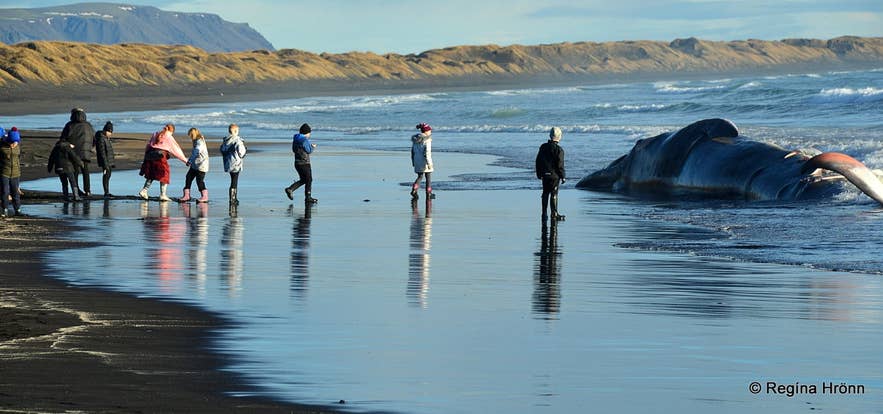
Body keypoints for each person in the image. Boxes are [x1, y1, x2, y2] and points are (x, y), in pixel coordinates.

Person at [138, 124, 188, 202]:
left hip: (150, 155)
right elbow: (176, 150)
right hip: (160, 156)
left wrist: (145, 156)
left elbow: (148, 145)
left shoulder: (156, 133)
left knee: (151, 175)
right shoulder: (169, 137)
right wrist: (185, 161)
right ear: (172, 131)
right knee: (165, 174)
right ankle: (163, 195)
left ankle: (144, 191)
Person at [60, 108, 95, 197]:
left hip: (74, 152)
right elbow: (94, 139)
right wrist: (90, 147)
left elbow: (63, 139)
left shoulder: (69, 125)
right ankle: (87, 191)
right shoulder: (88, 125)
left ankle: (76, 190)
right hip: (85, 152)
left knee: (75, 171)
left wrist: (68, 146)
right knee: (85, 171)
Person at [535, 127, 566, 221]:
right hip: (554, 176)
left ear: (550, 135)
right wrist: (563, 176)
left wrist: (539, 173)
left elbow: (538, 161)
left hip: (545, 174)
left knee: (545, 193)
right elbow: (560, 165)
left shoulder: (543, 147)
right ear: (559, 137)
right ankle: (554, 214)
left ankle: (544, 214)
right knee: (554, 194)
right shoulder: (559, 150)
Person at [284, 123, 318, 204]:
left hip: (297, 163)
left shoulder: (295, 139)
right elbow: (309, 151)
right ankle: (308, 197)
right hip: (305, 163)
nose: (310, 135)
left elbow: (293, 150)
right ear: (307, 133)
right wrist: (313, 147)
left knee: (304, 179)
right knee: (309, 179)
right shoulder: (304, 140)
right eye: (309, 133)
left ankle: (290, 189)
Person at [180, 127, 209, 203]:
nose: (190, 138)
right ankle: (187, 195)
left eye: (191, 136)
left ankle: (204, 196)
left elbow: (196, 152)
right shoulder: (196, 140)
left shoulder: (200, 142)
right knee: (188, 177)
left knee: (199, 181)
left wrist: (189, 161)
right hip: (195, 164)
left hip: (201, 165)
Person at [220, 123, 247, 206]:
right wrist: (245, 152)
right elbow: (241, 152)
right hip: (236, 163)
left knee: (233, 180)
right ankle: (233, 199)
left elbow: (222, 150)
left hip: (228, 163)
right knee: (234, 181)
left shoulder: (225, 141)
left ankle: (233, 198)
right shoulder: (237, 140)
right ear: (236, 131)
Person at [0, 127, 22, 217]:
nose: (14, 144)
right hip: (4, 172)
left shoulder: (18, 146)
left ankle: (18, 210)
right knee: (5, 192)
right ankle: (4, 210)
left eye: (15, 143)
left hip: (16, 173)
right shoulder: (1, 146)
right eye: (12, 142)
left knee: (15, 192)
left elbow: (18, 159)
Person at [410, 122, 435, 200]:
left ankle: (414, 189)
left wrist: (413, 162)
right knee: (428, 177)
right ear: (426, 131)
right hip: (425, 162)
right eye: (429, 130)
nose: (430, 132)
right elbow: (427, 153)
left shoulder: (415, 140)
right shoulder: (427, 140)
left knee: (420, 176)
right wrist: (430, 163)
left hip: (417, 161)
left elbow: (412, 152)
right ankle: (429, 193)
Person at [94, 121, 116, 198]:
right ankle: (106, 192)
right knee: (106, 176)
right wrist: (105, 164)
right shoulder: (101, 138)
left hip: (108, 161)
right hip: (105, 161)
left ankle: (107, 192)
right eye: (110, 132)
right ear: (106, 131)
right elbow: (102, 152)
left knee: (108, 176)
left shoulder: (106, 138)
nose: (111, 134)